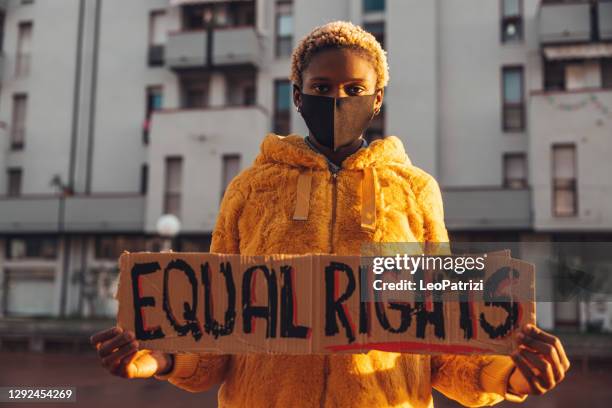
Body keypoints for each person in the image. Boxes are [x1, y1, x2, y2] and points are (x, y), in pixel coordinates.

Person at [91, 21, 570, 407]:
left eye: (353, 88)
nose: (337, 99)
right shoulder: (249, 190)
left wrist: (512, 376)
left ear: (376, 98)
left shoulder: (416, 191)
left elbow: (443, 346)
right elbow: (219, 340)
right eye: (321, 87)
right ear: (297, 96)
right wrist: (160, 359)